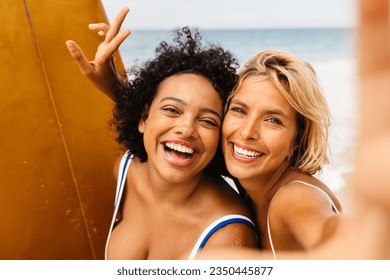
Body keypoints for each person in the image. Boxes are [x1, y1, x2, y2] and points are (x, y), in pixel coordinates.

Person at [67, 7, 343, 259]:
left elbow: (329, 234)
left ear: (298, 139)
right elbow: (179, 136)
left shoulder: (291, 199)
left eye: (273, 120)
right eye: (239, 111)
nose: (246, 132)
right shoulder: (245, 173)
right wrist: (115, 88)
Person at [66, 8, 258, 260]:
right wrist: (114, 86)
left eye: (208, 121)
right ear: (143, 118)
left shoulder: (229, 236)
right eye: (171, 109)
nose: (187, 129)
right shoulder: (125, 171)